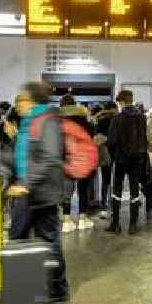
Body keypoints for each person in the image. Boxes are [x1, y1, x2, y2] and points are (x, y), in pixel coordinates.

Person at [0, 82, 69, 303]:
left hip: (38, 192)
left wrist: (26, 183)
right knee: (37, 238)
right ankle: (44, 288)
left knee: (28, 237)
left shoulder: (47, 121)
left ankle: (47, 289)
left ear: (32, 101)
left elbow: (50, 157)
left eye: (21, 99)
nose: (17, 104)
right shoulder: (31, 122)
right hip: (30, 190)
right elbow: (27, 155)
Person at [106, 90, 147, 235]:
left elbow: (111, 141)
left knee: (117, 190)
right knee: (135, 191)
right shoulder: (142, 117)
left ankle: (115, 224)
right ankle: (133, 225)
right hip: (137, 160)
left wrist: (115, 156)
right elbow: (144, 139)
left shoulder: (117, 118)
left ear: (122, 102)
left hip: (121, 160)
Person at [58, 93, 96, 233]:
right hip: (82, 160)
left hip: (65, 160)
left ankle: (67, 221)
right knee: (83, 190)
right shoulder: (84, 121)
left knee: (66, 191)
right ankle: (82, 219)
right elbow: (92, 137)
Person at [94, 101, 117, 218]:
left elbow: (96, 138)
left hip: (104, 153)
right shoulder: (117, 120)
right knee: (115, 180)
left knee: (105, 180)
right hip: (116, 153)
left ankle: (103, 206)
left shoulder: (100, 120)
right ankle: (113, 207)